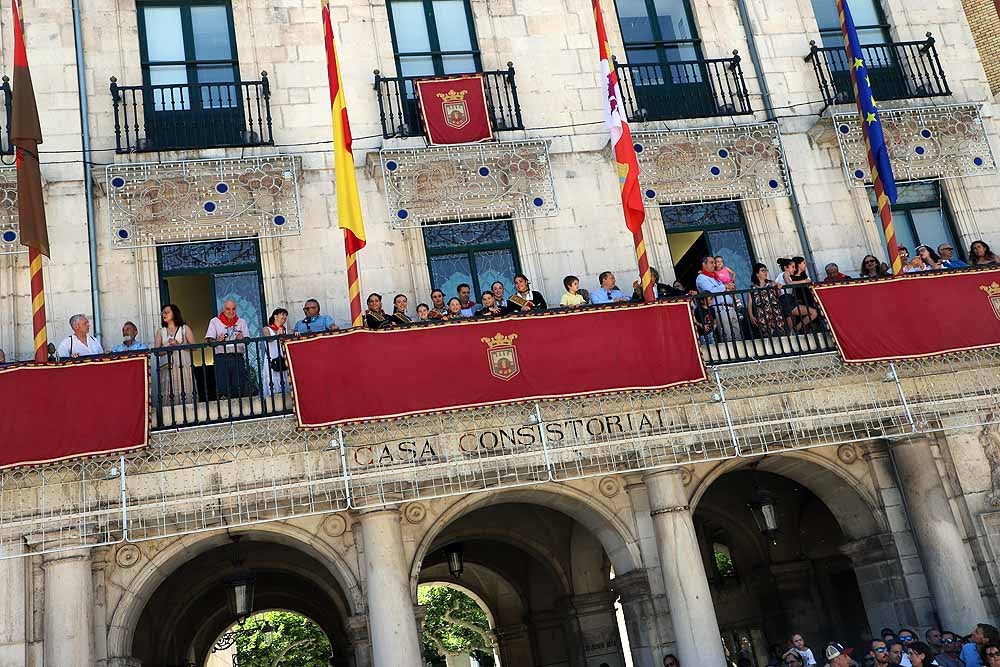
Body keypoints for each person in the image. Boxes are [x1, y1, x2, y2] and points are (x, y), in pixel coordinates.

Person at [206, 299, 252, 399]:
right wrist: (218, 340)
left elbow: (247, 340)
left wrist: (242, 338)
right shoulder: (215, 322)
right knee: (223, 387)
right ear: (223, 309)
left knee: (238, 387)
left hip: (237, 357)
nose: (231, 312)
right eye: (228, 309)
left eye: (233, 309)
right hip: (221, 358)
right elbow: (210, 342)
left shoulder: (241, 322)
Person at [155, 304, 197, 405]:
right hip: (168, 367)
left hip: (183, 366)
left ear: (174, 313)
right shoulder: (160, 331)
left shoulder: (184, 328)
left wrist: (179, 344)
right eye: (163, 312)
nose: (164, 314)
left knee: (185, 389)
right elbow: (157, 352)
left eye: (167, 312)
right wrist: (167, 349)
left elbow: (194, 347)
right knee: (170, 390)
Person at [696, 255, 743, 342]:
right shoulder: (701, 278)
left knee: (738, 335)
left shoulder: (715, 277)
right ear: (704, 264)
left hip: (730, 307)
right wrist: (725, 286)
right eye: (711, 262)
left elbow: (724, 288)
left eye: (714, 262)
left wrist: (730, 287)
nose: (714, 265)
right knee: (728, 336)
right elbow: (710, 291)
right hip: (720, 308)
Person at [748, 262, 786, 337]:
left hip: (775, 312)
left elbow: (778, 293)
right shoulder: (753, 288)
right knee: (767, 335)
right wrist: (751, 316)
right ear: (757, 274)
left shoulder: (771, 283)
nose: (765, 272)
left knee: (780, 333)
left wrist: (778, 287)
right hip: (762, 314)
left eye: (766, 270)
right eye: (763, 270)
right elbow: (750, 303)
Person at [261, 308, 290, 397]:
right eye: (282, 314)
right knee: (272, 381)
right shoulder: (267, 329)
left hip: (282, 359)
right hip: (271, 359)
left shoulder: (285, 330)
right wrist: (277, 334)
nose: (284, 317)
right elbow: (268, 339)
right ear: (275, 316)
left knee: (284, 380)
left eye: (286, 315)